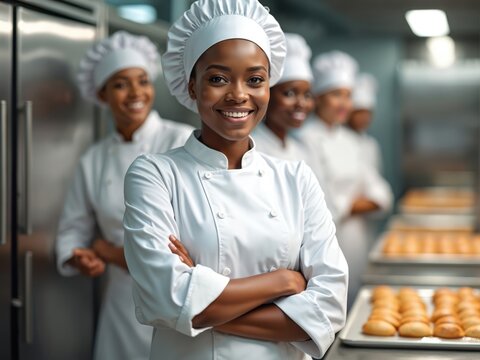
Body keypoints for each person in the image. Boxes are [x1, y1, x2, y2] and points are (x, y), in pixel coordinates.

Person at [122, 1, 349, 359]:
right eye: (217, 79)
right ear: (192, 86)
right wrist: (283, 282)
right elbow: (165, 297)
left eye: (255, 79)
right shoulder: (155, 175)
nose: (239, 94)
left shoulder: (296, 178)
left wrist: (198, 298)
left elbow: (328, 309)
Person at [55, 31, 194, 360]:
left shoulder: (183, 140)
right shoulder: (95, 158)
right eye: (120, 84)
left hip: (180, 297)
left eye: (142, 81)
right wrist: (79, 255)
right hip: (121, 304)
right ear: (102, 94)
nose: (135, 93)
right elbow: (73, 227)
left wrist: (109, 251)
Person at [295, 51, 393, 308]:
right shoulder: (305, 140)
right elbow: (323, 208)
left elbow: (382, 194)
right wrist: (354, 204)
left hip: (356, 242)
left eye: (348, 96)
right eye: (336, 94)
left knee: (354, 305)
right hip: (324, 246)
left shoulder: (351, 141)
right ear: (318, 98)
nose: (343, 104)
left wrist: (348, 205)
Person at [252, 33, 314, 161]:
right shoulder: (252, 150)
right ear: (267, 94)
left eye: (307, 95)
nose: (301, 103)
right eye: (290, 93)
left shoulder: (299, 152)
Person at [347, 73, 383, 173]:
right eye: (359, 113)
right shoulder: (338, 139)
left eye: (368, 113)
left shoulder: (371, 145)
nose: (364, 118)